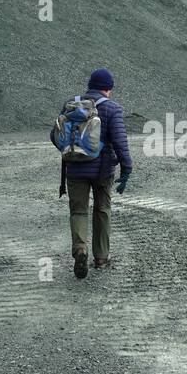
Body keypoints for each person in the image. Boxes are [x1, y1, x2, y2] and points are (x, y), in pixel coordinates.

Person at [53, 68, 133, 279]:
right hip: (103, 171)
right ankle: (101, 258)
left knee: (78, 211)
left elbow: (56, 136)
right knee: (102, 209)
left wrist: (72, 152)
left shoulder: (71, 104)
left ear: (90, 86)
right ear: (108, 88)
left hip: (75, 169)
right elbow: (120, 141)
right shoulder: (112, 109)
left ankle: (80, 249)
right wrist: (126, 167)